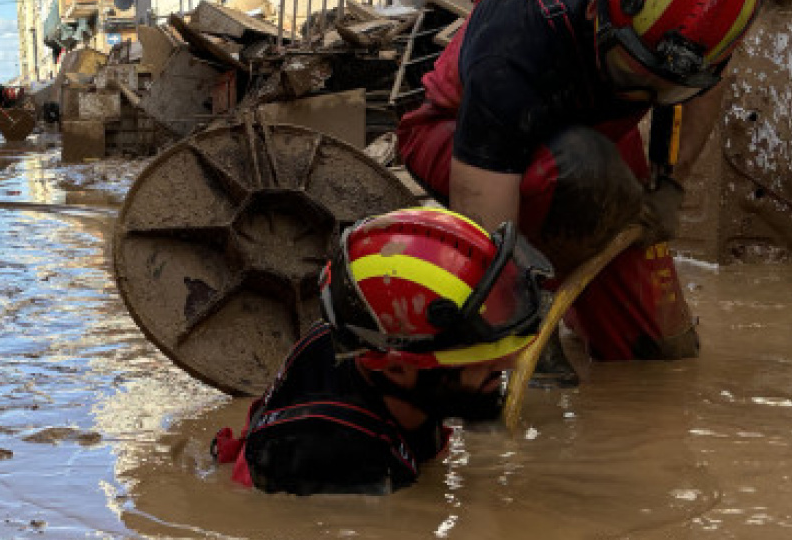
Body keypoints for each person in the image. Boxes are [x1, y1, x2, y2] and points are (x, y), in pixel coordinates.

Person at [393, 0, 764, 363]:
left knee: (660, 352)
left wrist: (670, 182)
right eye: (632, 72)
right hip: (455, 134)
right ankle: (544, 292)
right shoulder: (514, 44)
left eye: (668, 87)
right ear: (598, 12)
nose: (647, 94)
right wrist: (513, 322)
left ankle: (573, 297)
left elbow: (706, 86)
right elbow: (485, 221)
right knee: (584, 172)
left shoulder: (688, 36)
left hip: (587, 135)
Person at [213, 208, 552, 495]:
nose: (510, 362)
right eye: (486, 364)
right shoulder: (342, 457)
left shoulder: (369, 348)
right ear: (397, 370)